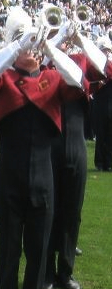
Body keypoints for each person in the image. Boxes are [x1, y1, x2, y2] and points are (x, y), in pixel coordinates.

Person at [0, 7, 86, 289]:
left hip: (43, 178)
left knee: (38, 257)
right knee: (8, 255)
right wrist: (17, 45)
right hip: (8, 179)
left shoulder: (53, 79)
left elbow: (80, 81)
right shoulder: (4, 79)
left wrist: (50, 46)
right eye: (27, 43)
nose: (31, 48)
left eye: (33, 43)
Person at [41, 20, 112, 289]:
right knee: (49, 209)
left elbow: (106, 67)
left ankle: (65, 272)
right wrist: (57, 38)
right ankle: (46, 271)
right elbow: (40, 57)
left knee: (73, 211)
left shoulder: (81, 60)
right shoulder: (45, 58)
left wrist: (81, 39)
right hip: (50, 141)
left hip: (76, 142)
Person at [92, 38, 112, 171]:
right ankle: (100, 162)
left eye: (108, 50)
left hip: (110, 102)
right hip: (100, 103)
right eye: (104, 50)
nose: (106, 52)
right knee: (100, 133)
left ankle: (109, 162)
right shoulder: (94, 65)